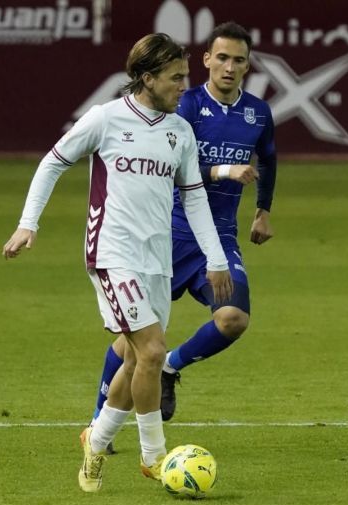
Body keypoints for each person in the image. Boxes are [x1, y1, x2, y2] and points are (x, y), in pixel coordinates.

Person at [2, 32, 232, 493]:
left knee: (132, 358)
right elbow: (53, 162)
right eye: (175, 77)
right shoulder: (106, 119)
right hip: (111, 252)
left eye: (185, 76)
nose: (184, 86)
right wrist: (29, 223)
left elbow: (194, 200)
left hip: (157, 258)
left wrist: (216, 257)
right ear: (147, 78)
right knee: (151, 352)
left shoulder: (179, 132)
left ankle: (97, 438)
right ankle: (154, 457)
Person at [89, 21, 277, 430]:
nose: (229, 67)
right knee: (132, 342)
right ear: (207, 59)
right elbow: (182, 174)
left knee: (233, 319)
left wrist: (263, 210)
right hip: (169, 233)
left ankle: (171, 368)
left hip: (220, 235)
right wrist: (226, 169)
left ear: (248, 66)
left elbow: (269, 159)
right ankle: (99, 421)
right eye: (222, 57)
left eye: (238, 60)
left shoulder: (258, 113)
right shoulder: (183, 105)